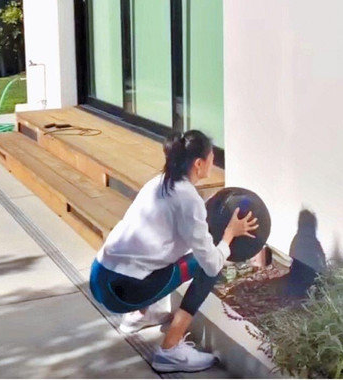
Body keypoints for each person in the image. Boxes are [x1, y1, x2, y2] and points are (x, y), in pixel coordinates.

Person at [89, 130, 259, 373]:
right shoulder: (188, 199)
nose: (213, 161)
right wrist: (229, 235)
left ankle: (139, 317)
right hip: (121, 293)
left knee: (178, 254)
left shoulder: (158, 183)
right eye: (212, 157)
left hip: (100, 277)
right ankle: (170, 350)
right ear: (199, 163)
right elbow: (211, 264)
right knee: (209, 268)